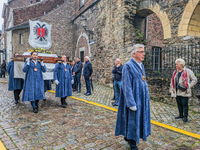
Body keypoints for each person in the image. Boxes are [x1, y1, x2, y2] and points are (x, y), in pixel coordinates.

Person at [115, 44, 151, 150]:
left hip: (141, 99)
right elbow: (126, 86)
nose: (144, 54)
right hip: (134, 99)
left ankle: (128, 136)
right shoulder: (128, 66)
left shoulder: (141, 65)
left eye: (144, 51)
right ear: (134, 53)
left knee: (138, 119)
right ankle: (132, 142)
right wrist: (131, 103)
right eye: (141, 52)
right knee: (132, 120)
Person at [169, 58, 197, 123]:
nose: (176, 65)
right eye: (176, 64)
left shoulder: (187, 71)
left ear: (181, 64)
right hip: (176, 90)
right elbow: (172, 80)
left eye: (177, 64)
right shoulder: (175, 71)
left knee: (185, 105)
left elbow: (194, 80)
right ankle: (180, 115)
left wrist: (188, 86)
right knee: (179, 104)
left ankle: (185, 117)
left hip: (184, 91)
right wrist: (171, 89)